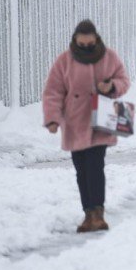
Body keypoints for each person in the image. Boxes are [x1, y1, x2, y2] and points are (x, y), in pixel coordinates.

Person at [43, 20, 130, 233]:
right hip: (74, 121)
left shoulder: (109, 56)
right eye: (81, 44)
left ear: (96, 39)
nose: (86, 48)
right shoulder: (64, 60)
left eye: (89, 44)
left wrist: (111, 86)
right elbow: (53, 91)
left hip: (101, 120)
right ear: (75, 40)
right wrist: (52, 118)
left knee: (95, 166)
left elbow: (124, 80)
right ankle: (87, 213)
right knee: (81, 170)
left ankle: (98, 213)